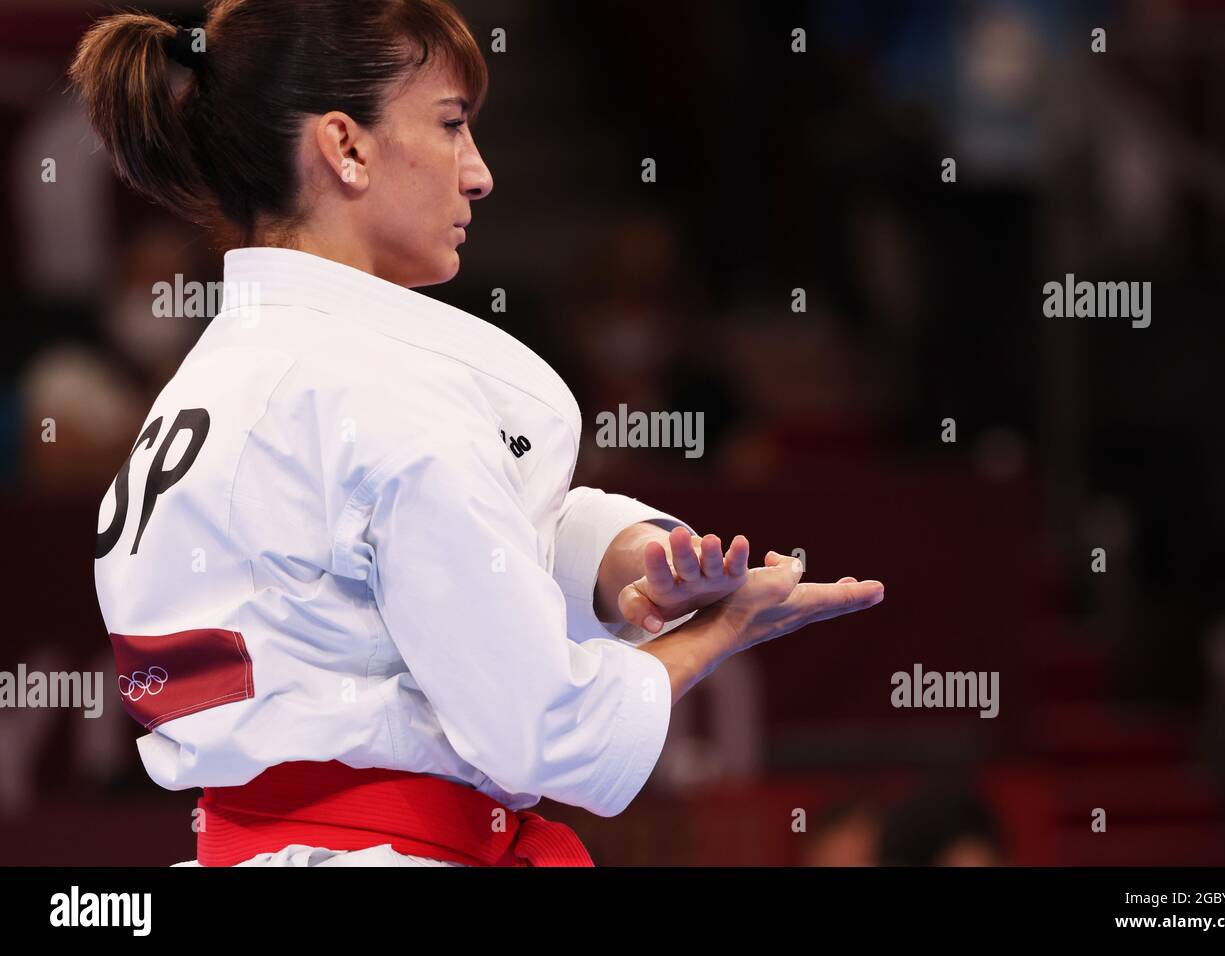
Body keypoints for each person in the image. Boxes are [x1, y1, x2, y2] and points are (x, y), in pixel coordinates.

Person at [73, 0, 885, 867]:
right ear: (345, 147)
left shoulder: (209, 386)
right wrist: (717, 634)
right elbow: (538, 726)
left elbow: (354, 599)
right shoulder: (380, 390)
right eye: (452, 126)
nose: (479, 174)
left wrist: (612, 566)